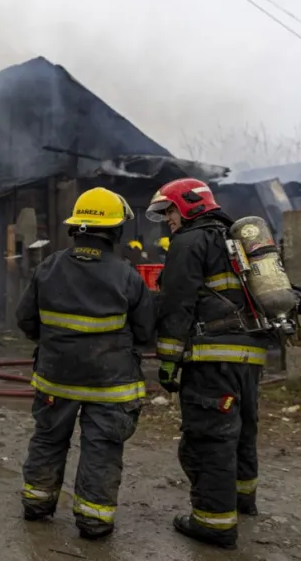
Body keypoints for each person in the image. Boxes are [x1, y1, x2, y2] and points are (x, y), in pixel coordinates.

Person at [17, 187, 153, 540]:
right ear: (115, 230)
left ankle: (37, 503)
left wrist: (55, 343)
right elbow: (145, 331)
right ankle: (93, 520)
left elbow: (26, 319)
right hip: (110, 383)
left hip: (55, 377)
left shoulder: (48, 266)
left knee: (48, 438)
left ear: (76, 228)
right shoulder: (127, 276)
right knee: (102, 447)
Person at [147, 178, 266, 551]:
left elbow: (177, 303)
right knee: (242, 429)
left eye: (169, 210)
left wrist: (168, 359)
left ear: (188, 205)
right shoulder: (234, 240)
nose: (168, 219)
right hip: (249, 357)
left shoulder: (189, 242)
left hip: (212, 358)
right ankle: (242, 500)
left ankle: (213, 522)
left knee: (209, 437)